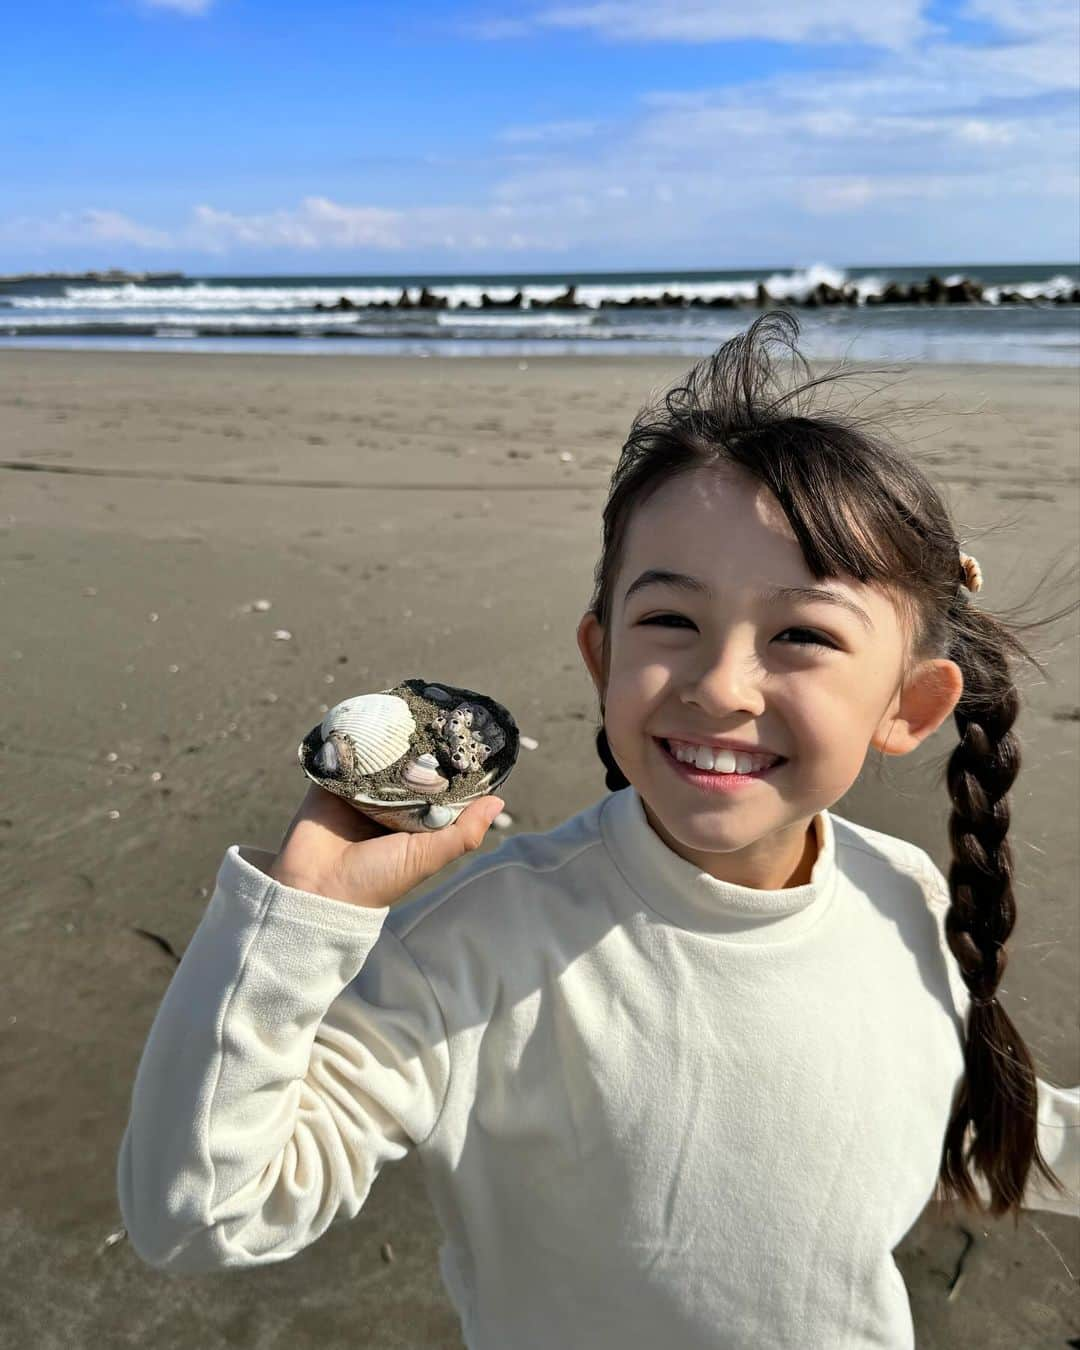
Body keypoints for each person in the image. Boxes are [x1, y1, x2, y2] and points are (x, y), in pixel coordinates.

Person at [117, 314, 1078, 1349]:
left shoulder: (905, 897)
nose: (718, 685)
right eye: (670, 621)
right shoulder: (480, 948)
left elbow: (946, 1122)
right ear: (602, 653)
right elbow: (198, 1211)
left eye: (801, 634)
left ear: (912, 704)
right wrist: (297, 921)